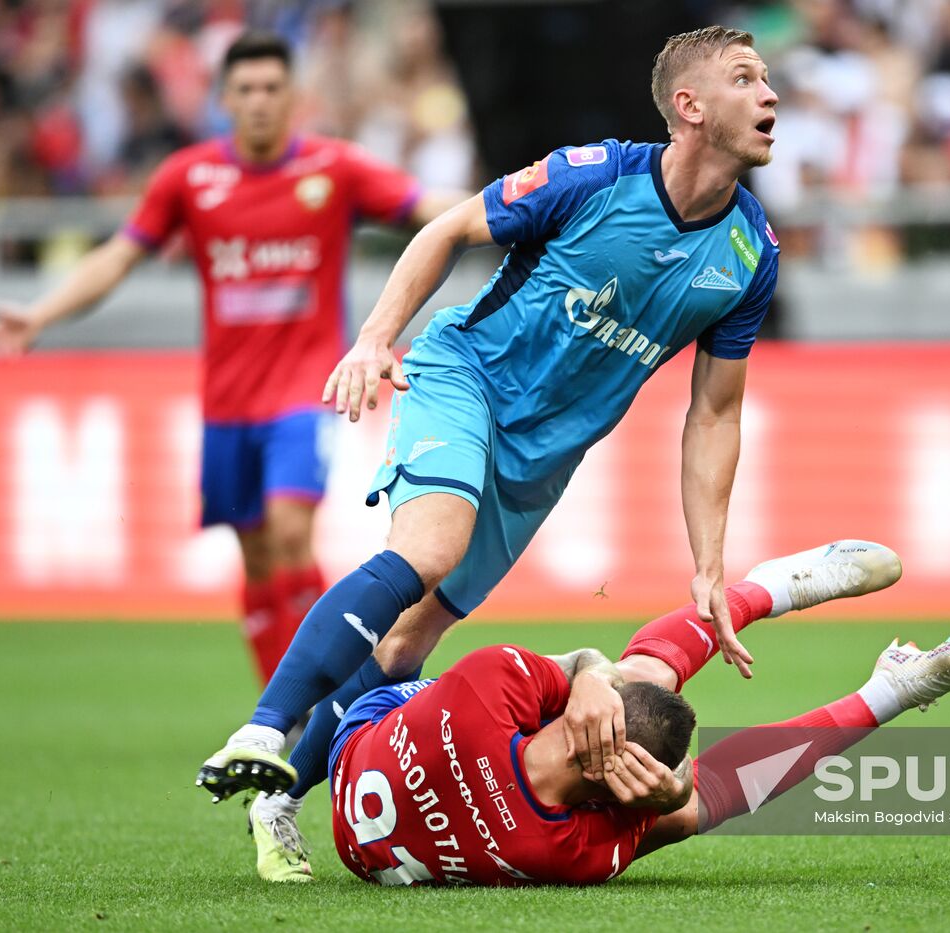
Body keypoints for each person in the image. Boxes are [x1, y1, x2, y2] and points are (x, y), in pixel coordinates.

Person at [194, 25, 789, 823]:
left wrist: (711, 563)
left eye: (766, 79)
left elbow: (714, 410)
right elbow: (447, 230)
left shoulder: (751, 252)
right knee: (429, 549)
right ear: (689, 106)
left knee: (405, 646)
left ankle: (277, 803)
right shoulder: (596, 174)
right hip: (466, 375)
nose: (770, 94)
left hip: (546, 454)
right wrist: (374, 339)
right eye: (746, 79)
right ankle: (264, 727)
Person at [0, 31, 461, 684]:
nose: (259, 100)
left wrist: (510, 214)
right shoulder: (189, 178)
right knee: (257, 558)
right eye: (247, 89)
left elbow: (432, 211)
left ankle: (329, 690)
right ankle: (279, 710)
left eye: (271, 88)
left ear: (292, 97)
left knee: (290, 531)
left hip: (303, 391)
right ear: (224, 98)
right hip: (228, 403)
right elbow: (119, 256)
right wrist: (40, 314)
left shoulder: (333, 169)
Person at [236, 539, 950, 884]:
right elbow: (667, 794)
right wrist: (666, 794)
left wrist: (590, 671)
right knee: (682, 779)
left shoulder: (484, 688)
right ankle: (807, 623)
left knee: (654, 716)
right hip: (374, 778)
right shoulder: (565, 849)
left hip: (365, 749)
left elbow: (581, 690)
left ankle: (874, 677)